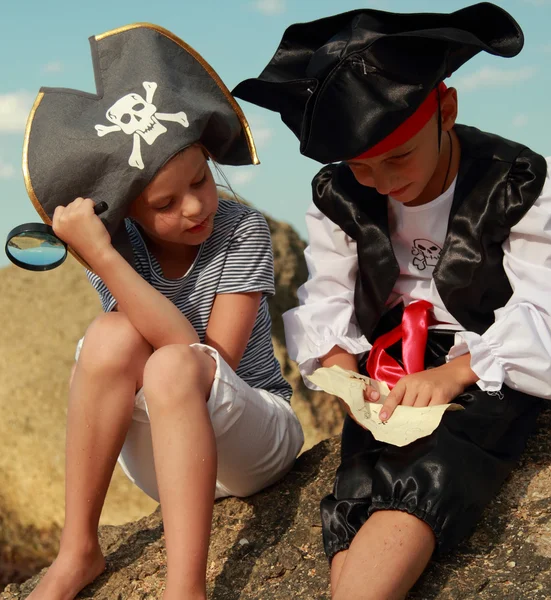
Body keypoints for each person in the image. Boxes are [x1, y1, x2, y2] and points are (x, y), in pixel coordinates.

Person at [233, 3, 551, 599]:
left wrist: (458, 373)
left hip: (484, 358)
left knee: (431, 473)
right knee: (358, 486)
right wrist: (345, 372)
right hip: (391, 367)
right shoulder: (342, 196)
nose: (380, 181)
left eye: (398, 157)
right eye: (362, 166)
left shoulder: (521, 183)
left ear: (446, 110)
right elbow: (328, 293)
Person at [22, 23, 303, 600]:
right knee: (110, 336)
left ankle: (184, 590)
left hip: (251, 436)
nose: (197, 206)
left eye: (201, 180)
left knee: (174, 365)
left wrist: (99, 253)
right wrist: (106, 255)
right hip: (164, 459)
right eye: (166, 204)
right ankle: (78, 549)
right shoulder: (124, 251)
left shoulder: (241, 228)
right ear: (131, 214)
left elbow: (205, 359)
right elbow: (140, 346)